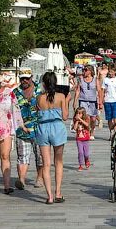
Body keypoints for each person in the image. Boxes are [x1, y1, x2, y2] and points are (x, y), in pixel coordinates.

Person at [35, 71, 69, 204]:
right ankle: (58, 192)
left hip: (43, 128)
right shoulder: (60, 96)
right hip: (57, 127)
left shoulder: (39, 98)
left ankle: (49, 196)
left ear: (43, 83)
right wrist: (67, 101)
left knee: (46, 164)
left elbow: (37, 113)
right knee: (58, 161)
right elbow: (65, 116)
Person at [13, 69, 43, 191]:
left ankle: (40, 178)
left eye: (27, 78)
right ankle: (21, 180)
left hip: (39, 127)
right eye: (22, 78)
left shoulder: (40, 90)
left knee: (40, 156)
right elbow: (13, 111)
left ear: (31, 77)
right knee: (22, 155)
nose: (24, 80)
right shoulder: (15, 92)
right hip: (22, 128)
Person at [73, 64, 102, 140]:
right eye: (83, 70)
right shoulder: (81, 79)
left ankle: (92, 131)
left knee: (93, 118)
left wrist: (101, 102)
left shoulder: (95, 79)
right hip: (83, 100)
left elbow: (99, 90)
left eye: (85, 70)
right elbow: (78, 90)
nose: (84, 71)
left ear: (90, 71)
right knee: (86, 117)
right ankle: (87, 132)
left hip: (93, 101)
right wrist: (75, 101)